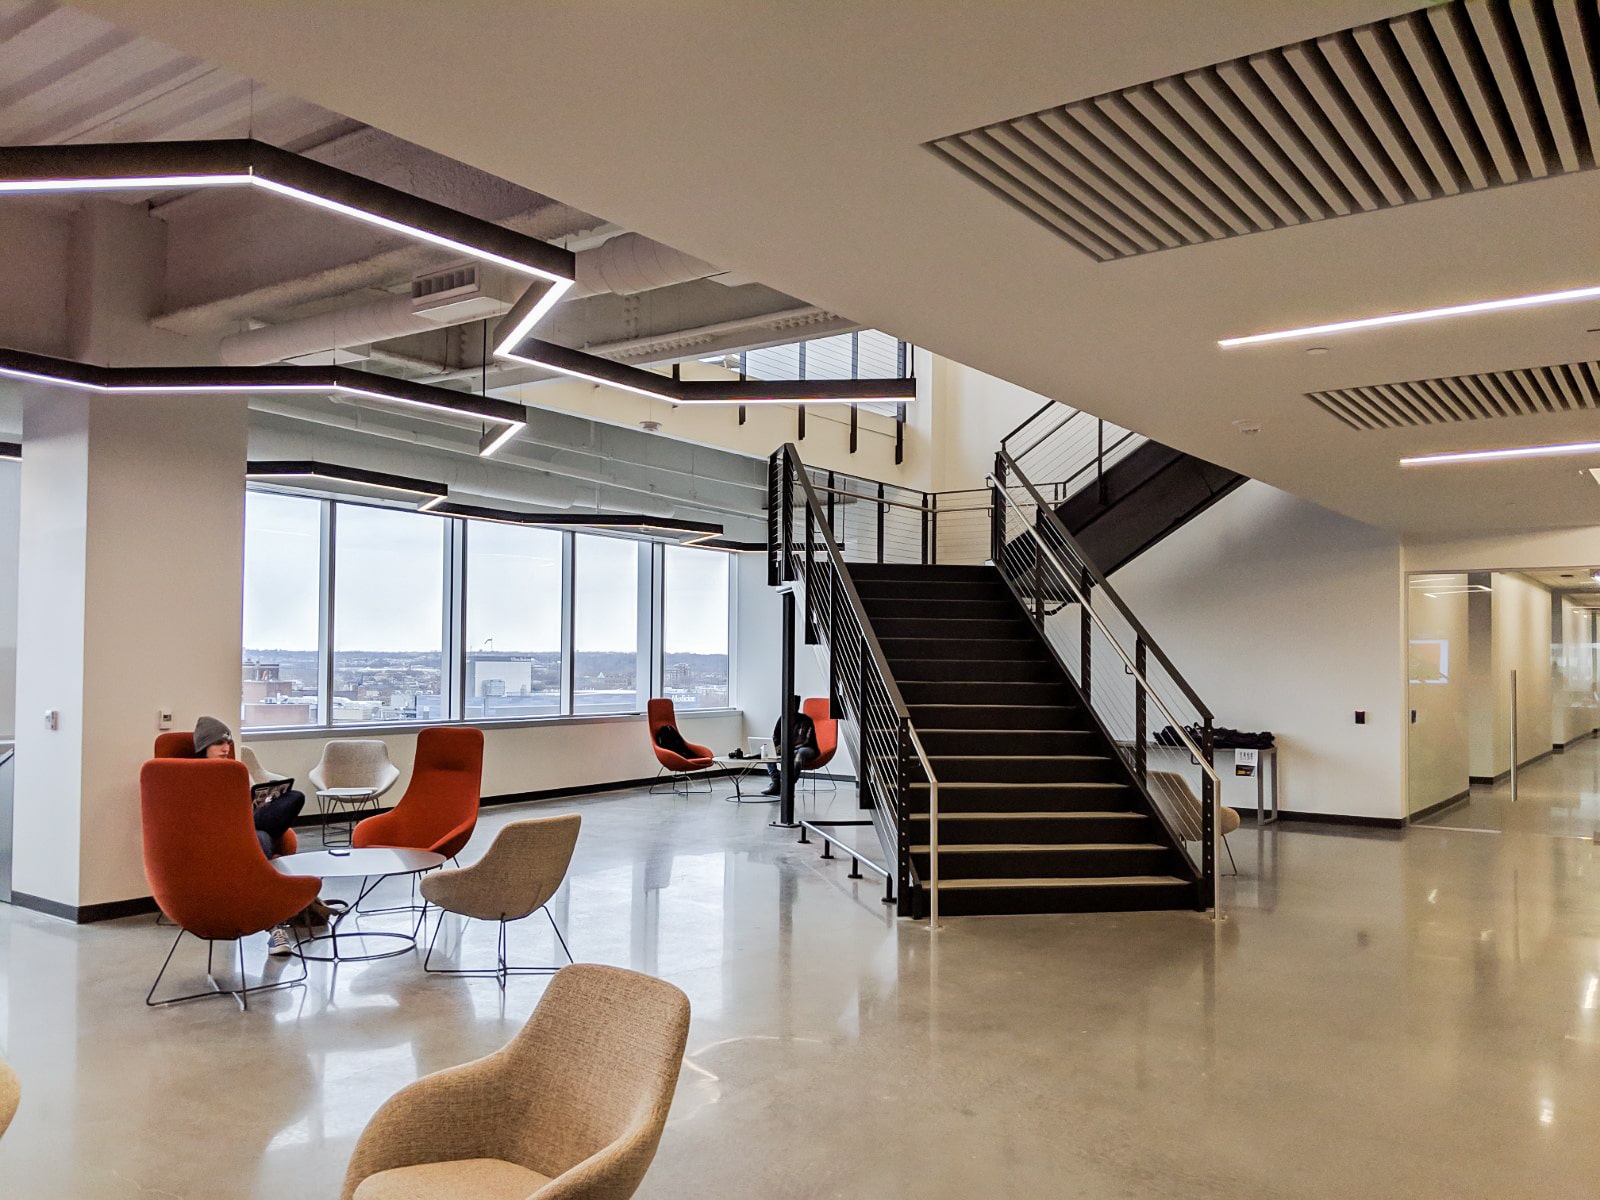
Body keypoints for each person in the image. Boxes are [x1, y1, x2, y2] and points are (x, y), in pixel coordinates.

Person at [192, 716, 319, 955]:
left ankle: (271, 915)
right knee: (259, 838)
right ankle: (274, 928)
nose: (225, 748)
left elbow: (247, 799)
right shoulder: (192, 775)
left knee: (295, 797)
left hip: (247, 825)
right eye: (218, 743)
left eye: (227, 742)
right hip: (223, 835)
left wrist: (261, 801)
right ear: (203, 746)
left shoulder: (235, 769)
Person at [760, 696, 819, 797]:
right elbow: (775, 736)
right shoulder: (782, 718)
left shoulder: (806, 720)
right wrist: (776, 747)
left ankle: (788, 786)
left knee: (799, 753)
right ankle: (776, 783)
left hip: (807, 748)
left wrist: (791, 748)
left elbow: (807, 741)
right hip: (788, 748)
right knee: (768, 752)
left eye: (794, 705)